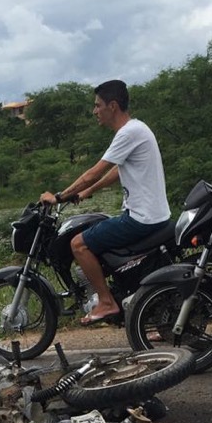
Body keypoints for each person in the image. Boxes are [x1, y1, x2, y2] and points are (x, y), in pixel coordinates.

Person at [40, 79, 171, 325]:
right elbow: (118, 171)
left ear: (112, 106)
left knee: (79, 244)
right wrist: (88, 191)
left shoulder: (128, 132)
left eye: (98, 105)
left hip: (141, 218)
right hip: (152, 214)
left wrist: (59, 196)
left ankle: (106, 302)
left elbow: (96, 170)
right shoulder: (136, 129)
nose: (94, 111)